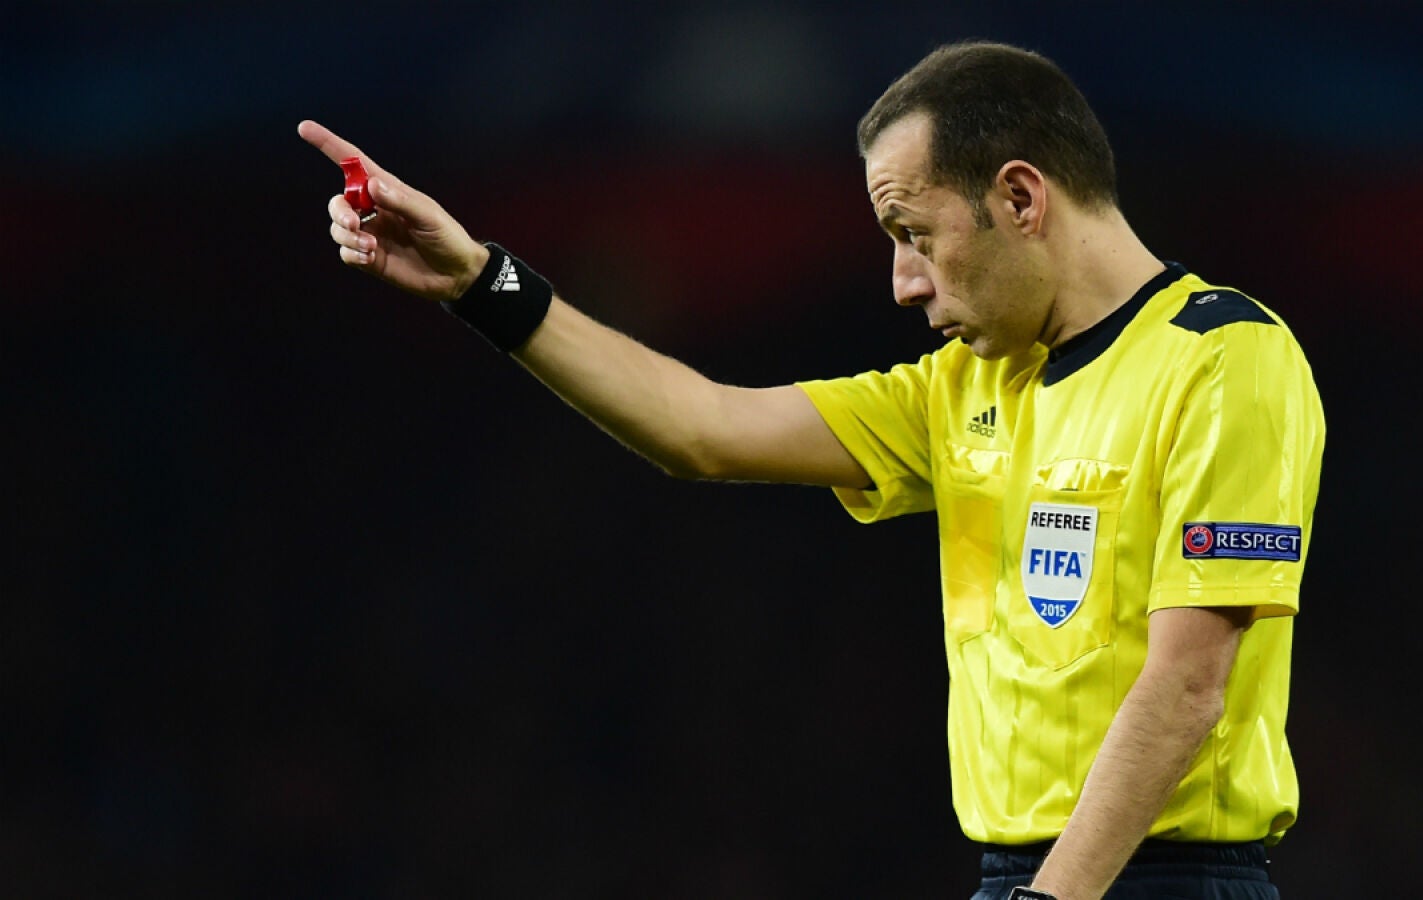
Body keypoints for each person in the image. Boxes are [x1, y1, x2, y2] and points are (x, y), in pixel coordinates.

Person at [300, 39, 1323, 900]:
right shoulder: (964, 387)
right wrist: (481, 283)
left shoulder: (1223, 360)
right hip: (1026, 881)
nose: (902, 281)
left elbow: (1187, 683)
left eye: (913, 234)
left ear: (1019, 197)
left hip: (1164, 881)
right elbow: (702, 427)